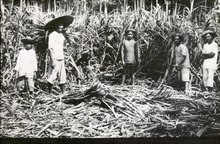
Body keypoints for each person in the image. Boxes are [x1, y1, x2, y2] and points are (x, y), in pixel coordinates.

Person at [44, 15, 73, 94]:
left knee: (62, 75)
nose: (61, 26)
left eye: (62, 25)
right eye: (60, 25)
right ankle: (49, 92)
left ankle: (63, 92)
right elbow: (50, 48)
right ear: (56, 26)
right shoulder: (52, 35)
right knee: (52, 75)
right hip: (55, 57)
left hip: (61, 57)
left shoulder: (61, 35)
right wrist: (52, 60)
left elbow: (64, 45)